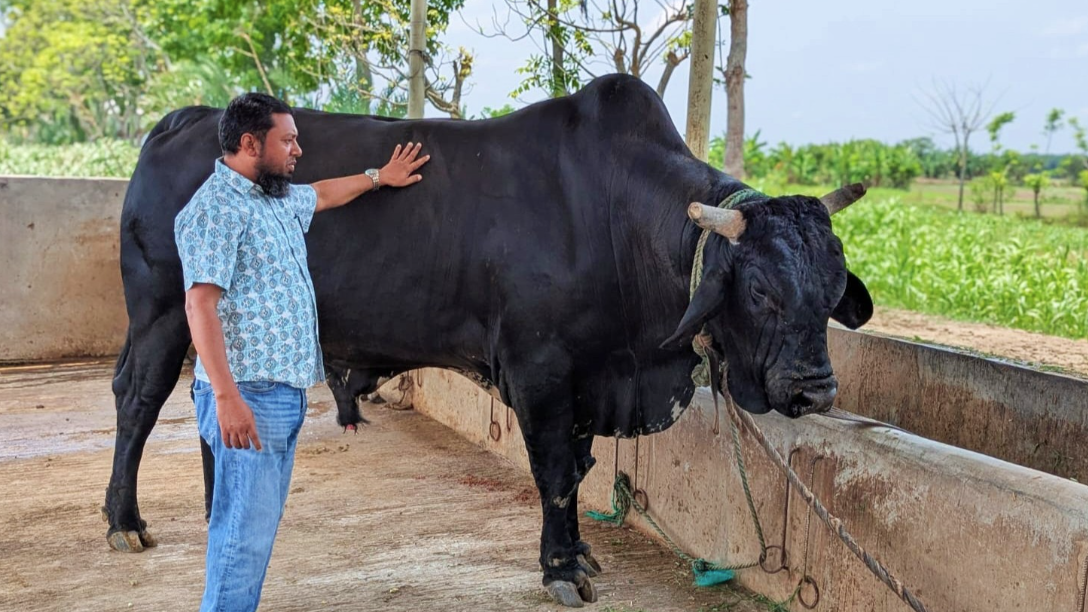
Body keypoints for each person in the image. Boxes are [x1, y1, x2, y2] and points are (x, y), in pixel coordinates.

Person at [175, 92, 429, 611]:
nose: (298, 149)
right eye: (287, 140)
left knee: (247, 532)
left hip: (278, 395)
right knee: (242, 539)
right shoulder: (215, 209)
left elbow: (323, 194)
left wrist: (379, 176)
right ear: (250, 143)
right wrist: (226, 398)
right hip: (247, 396)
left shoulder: (271, 198)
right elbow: (199, 306)